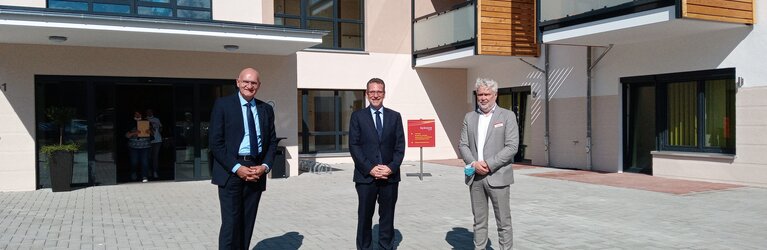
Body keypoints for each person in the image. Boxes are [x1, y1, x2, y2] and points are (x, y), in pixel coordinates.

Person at [209, 68, 278, 250]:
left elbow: (272, 142)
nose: (249, 86)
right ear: (238, 82)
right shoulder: (223, 105)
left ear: (259, 86)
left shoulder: (266, 109)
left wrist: (265, 166)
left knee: (247, 223)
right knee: (231, 224)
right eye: (246, 82)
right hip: (230, 170)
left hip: (256, 169)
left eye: (253, 83)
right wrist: (236, 167)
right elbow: (215, 144)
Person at [459, 78, 519, 250]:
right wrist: (473, 163)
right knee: (479, 221)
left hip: (498, 176)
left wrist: (489, 163)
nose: (483, 98)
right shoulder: (469, 117)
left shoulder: (507, 116)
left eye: (487, 94)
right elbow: (463, 144)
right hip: (475, 177)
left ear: (495, 95)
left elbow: (512, 146)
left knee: (504, 222)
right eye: (480, 94)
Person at [349, 78, 405, 250]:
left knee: (387, 216)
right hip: (366, 177)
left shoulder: (395, 117)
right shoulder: (357, 117)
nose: (375, 95)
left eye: (379, 91)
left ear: (384, 94)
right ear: (367, 94)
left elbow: (400, 146)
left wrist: (391, 167)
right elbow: (354, 146)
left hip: (390, 176)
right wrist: (370, 168)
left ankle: (386, 246)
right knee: (365, 217)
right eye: (372, 92)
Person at [125, 111, 152, 183]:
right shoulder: (129, 123)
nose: (138, 115)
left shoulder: (146, 122)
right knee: (134, 162)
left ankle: (144, 176)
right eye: (136, 113)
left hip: (145, 146)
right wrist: (134, 133)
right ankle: (133, 172)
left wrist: (149, 132)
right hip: (133, 146)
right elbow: (127, 135)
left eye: (139, 113)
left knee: (145, 162)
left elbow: (153, 133)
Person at [145, 108, 162, 179]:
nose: (149, 112)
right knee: (148, 157)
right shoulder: (144, 120)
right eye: (148, 111)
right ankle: (148, 171)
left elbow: (161, 128)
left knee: (155, 157)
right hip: (148, 141)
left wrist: (159, 130)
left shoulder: (157, 119)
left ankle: (155, 171)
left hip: (157, 140)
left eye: (150, 111)